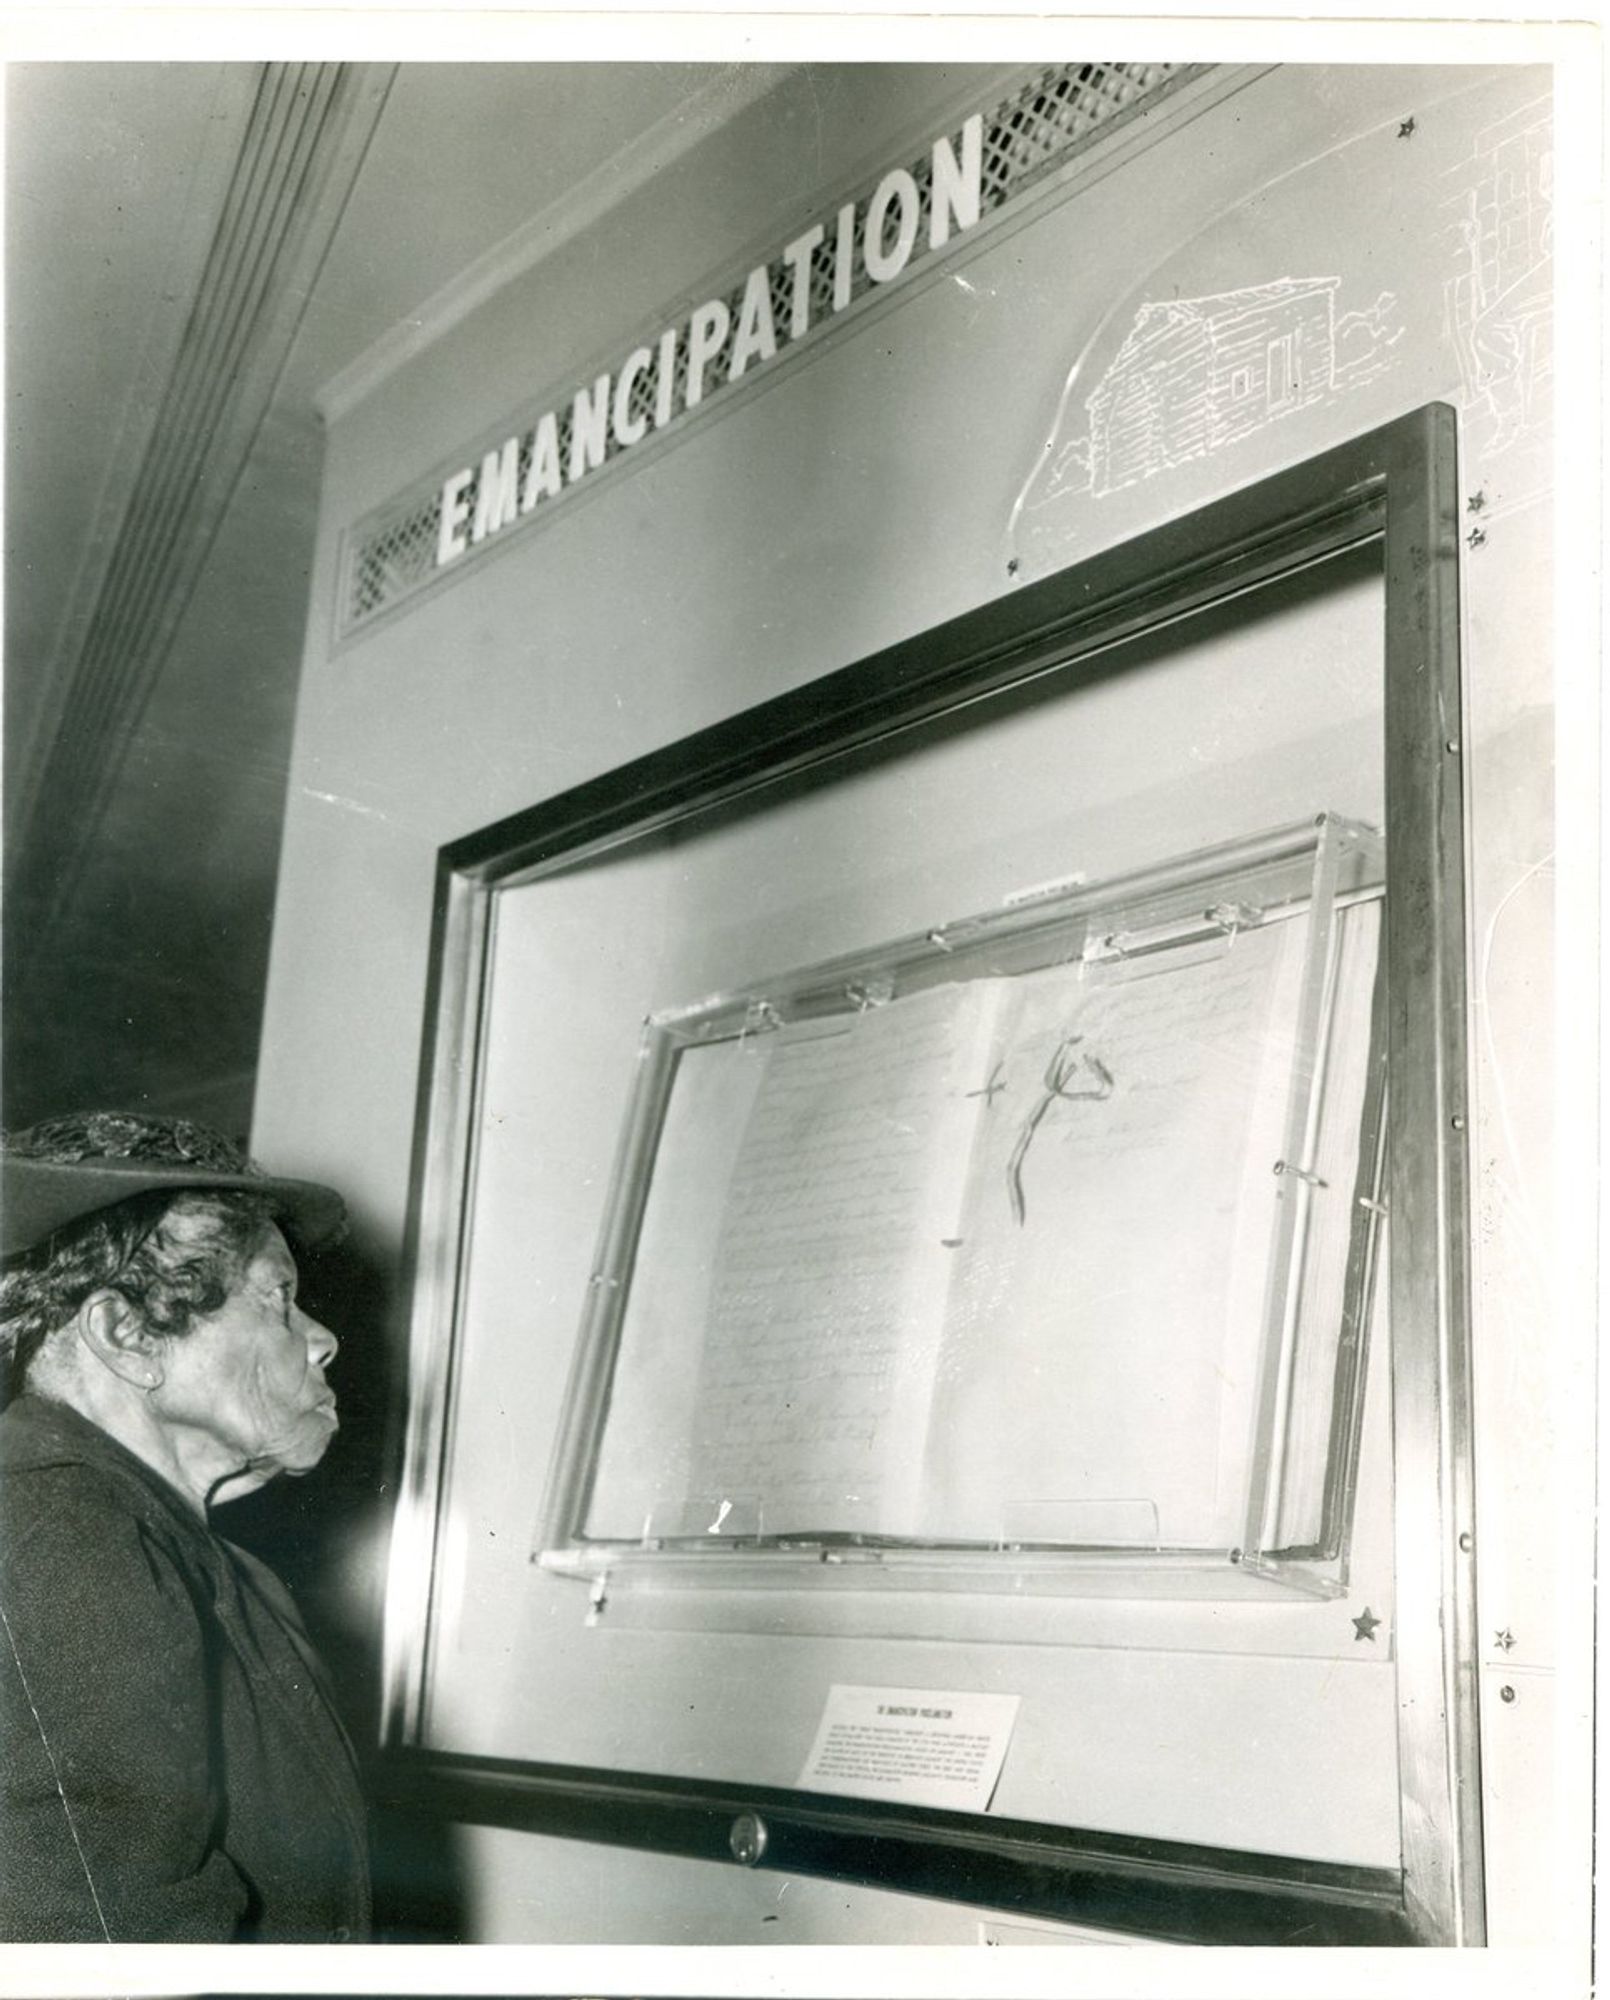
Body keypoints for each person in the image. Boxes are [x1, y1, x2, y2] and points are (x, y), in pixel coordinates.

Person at [0, 1110, 371, 1942]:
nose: (325, 1340)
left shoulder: (193, 1555)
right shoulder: (62, 1540)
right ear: (128, 1336)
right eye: (278, 1300)